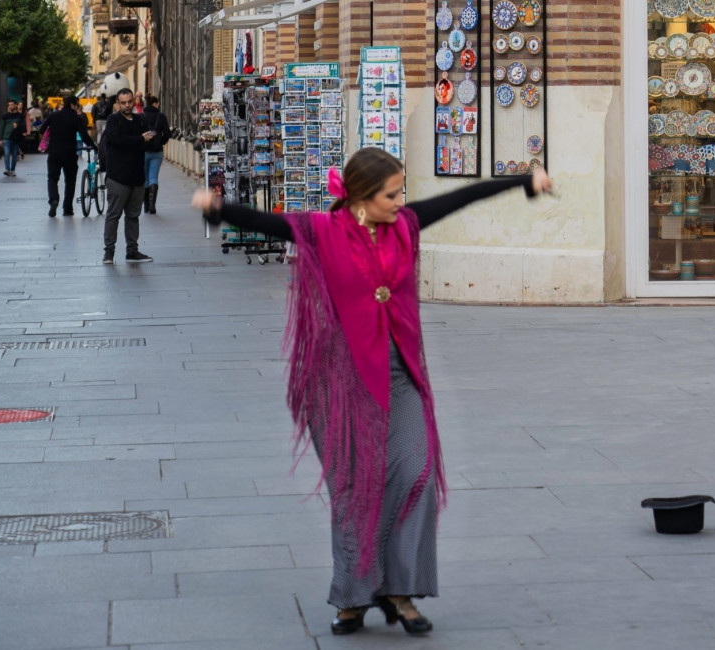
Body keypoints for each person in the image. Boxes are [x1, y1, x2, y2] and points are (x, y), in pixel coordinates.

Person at [190, 149, 552, 636]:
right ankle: (354, 597)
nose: (401, 201)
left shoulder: (405, 224)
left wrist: (522, 180)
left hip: (400, 373)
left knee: (415, 472)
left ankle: (399, 589)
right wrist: (216, 207)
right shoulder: (322, 231)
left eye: (403, 191)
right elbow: (264, 222)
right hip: (340, 380)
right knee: (355, 490)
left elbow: (463, 196)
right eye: (391, 193)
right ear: (361, 197)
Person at [102, 88, 155, 264]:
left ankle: (132, 251)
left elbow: (151, 138)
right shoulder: (113, 120)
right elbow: (117, 140)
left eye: (129, 102)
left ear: (134, 101)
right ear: (118, 102)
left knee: (133, 216)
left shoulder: (140, 119)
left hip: (137, 177)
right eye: (123, 102)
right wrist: (140, 140)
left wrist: (143, 139)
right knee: (114, 215)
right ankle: (109, 253)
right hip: (118, 177)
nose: (126, 105)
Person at [41, 96, 97, 217]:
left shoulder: (54, 115)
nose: (77, 107)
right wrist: (94, 146)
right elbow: (84, 136)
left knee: (52, 179)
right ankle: (67, 209)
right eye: (77, 105)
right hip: (70, 154)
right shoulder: (76, 118)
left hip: (54, 152)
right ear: (72, 105)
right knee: (70, 181)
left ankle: (54, 200)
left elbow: (41, 129)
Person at [140, 95, 171, 214]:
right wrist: (161, 141)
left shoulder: (141, 117)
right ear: (155, 103)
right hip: (157, 151)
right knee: (154, 178)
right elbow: (167, 133)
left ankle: (146, 206)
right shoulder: (161, 117)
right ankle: (153, 205)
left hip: (143, 151)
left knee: (145, 178)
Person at [0, 100, 25, 177]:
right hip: (6, 138)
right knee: (6, 154)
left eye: (12, 104)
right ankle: (7, 169)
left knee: (14, 155)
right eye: (9, 105)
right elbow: (1, 127)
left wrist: (18, 126)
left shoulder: (20, 116)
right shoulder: (5, 116)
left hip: (16, 138)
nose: (10, 106)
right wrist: (0, 139)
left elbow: (24, 127)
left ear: (15, 105)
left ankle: (12, 170)